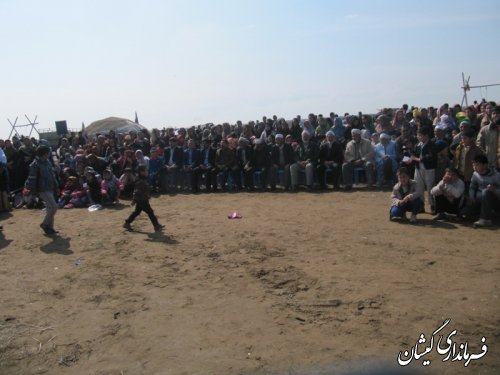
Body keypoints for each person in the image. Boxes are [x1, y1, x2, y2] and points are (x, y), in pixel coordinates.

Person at [25, 145, 60, 235]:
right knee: (54, 207)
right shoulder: (35, 165)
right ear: (45, 153)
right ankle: (44, 224)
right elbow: (32, 179)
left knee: (50, 208)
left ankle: (50, 228)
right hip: (42, 189)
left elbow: (52, 175)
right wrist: (33, 193)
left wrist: (56, 186)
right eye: (48, 152)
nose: (49, 154)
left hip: (50, 187)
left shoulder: (47, 162)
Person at [123, 165, 164, 232]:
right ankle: (156, 226)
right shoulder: (140, 181)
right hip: (142, 200)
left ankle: (127, 223)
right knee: (150, 212)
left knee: (136, 212)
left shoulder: (142, 179)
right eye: (146, 170)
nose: (147, 172)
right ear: (141, 172)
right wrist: (134, 200)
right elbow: (136, 191)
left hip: (142, 199)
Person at [467, 154, 500, 228]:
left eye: (477, 165)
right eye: (473, 165)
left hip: (494, 199)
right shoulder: (475, 174)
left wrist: (494, 190)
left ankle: (485, 219)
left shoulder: (497, 176)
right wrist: (472, 196)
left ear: (485, 165)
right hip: (480, 197)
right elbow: (472, 187)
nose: (474, 167)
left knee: (486, 192)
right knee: (465, 212)